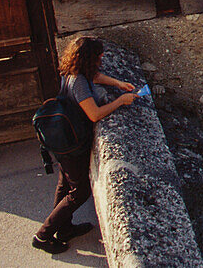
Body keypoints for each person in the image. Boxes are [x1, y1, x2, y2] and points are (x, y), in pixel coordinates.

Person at [33, 37, 137, 255]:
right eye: (98, 56)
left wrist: (117, 84)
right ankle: (43, 235)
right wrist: (120, 101)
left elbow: (96, 77)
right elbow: (94, 114)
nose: (101, 59)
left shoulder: (72, 71)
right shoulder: (79, 81)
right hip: (74, 144)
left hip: (63, 141)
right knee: (79, 192)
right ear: (89, 58)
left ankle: (64, 228)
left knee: (64, 185)